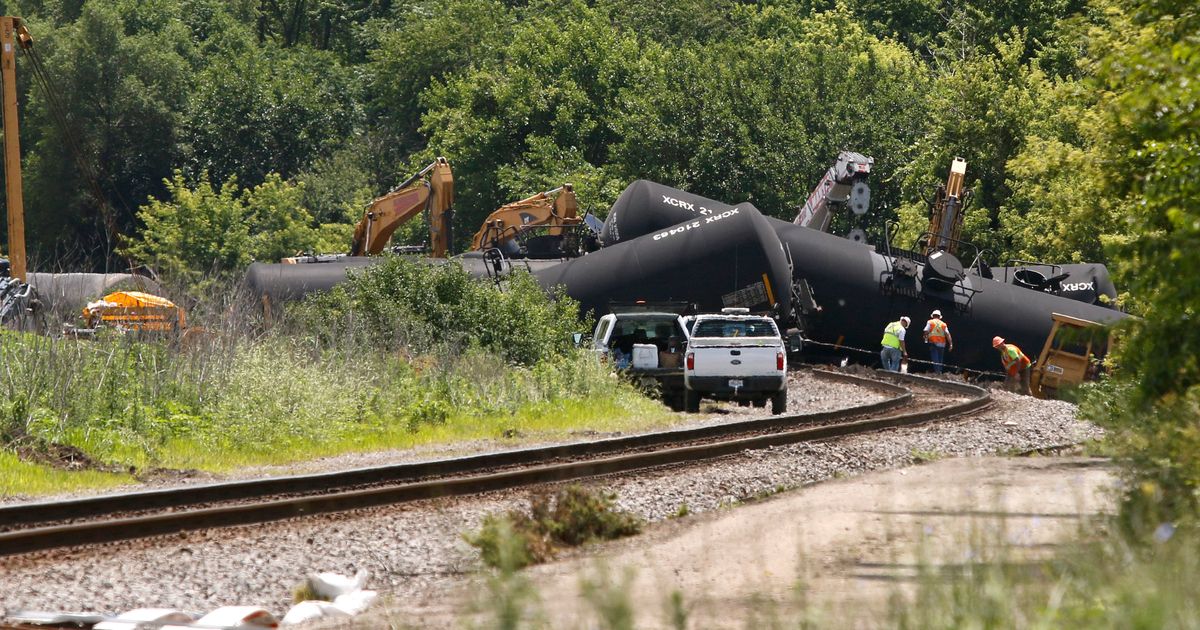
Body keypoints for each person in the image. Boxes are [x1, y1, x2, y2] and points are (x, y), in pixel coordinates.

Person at [923, 310, 954, 374]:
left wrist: (925, 337)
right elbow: (947, 334)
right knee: (940, 359)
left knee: (935, 358)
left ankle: (937, 372)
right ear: (939, 317)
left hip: (933, 343)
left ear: (933, 316)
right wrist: (950, 344)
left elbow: (926, 331)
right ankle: (940, 371)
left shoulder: (930, 322)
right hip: (942, 344)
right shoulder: (943, 324)